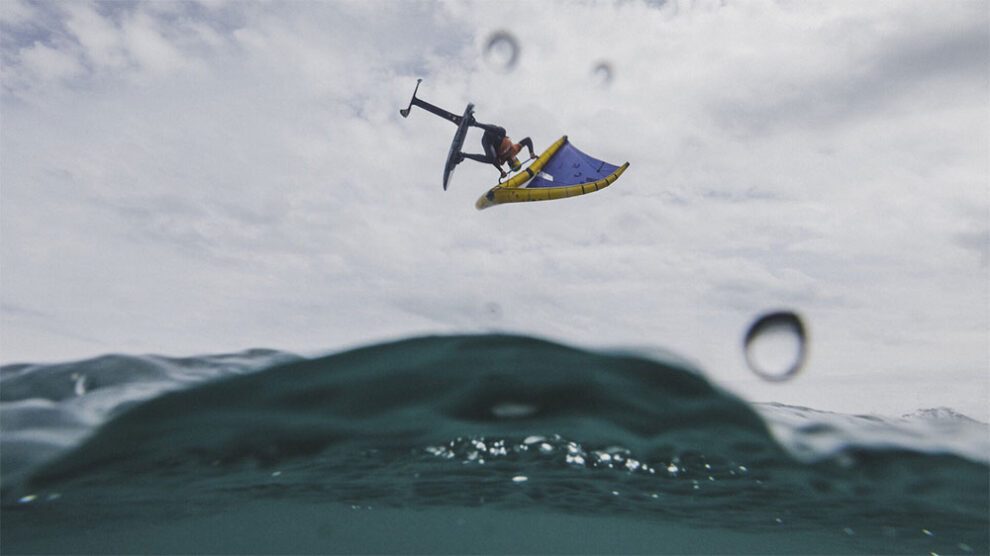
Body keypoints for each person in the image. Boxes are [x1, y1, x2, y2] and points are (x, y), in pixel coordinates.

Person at [458, 118, 536, 180]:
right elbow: (527, 140)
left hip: (488, 142)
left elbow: (494, 162)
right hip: (495, 133)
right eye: (513, 161)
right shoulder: (516, 149)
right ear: (516, 159)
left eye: (510, 164)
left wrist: (501, 170)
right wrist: (531, 152)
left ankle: (462, 155)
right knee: (503, 131)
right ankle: (474, 123)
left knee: (491, 159)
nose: (510, 162)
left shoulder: (502, 161)